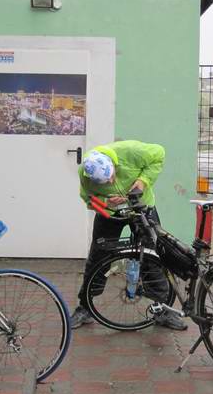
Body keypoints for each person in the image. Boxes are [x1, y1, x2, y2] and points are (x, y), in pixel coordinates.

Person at [69, 140, 187, 331]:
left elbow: (160, 153)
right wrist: (106, 201)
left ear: (114, 165)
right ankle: (85, 308)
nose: (110, 182)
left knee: (153, 256)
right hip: (111, 214)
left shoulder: (130, 151)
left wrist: (143, 182)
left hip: (141, 208)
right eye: (104, 182)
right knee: (98, 257)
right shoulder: (86, 173)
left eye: (111, 177)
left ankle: (162, 309)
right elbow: (88, 199)